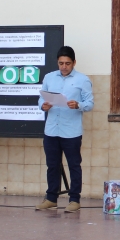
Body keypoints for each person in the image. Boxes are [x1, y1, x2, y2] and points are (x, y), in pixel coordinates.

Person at [35, 46, 94, 212]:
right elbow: (41, 99)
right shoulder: (49, 77)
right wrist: (43, 105)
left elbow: (90, 104)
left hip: (71, 131)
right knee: (52, 165)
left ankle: (74, 199)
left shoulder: (83, 80)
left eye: (67, 63)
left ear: (74, 62)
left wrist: (78, 105)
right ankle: (51, 198)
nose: (64, 66)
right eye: (61, 63)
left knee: (74, 165)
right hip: (52, 129)